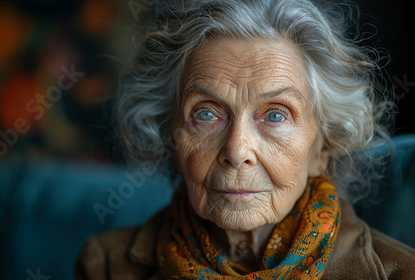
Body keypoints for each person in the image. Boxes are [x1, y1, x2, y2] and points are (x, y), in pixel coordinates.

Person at [75, 0, 415, 279]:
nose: (237, 151)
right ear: (170, 136)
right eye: (206, 114)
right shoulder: (105, 267)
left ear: (323, 148)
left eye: (276, 115)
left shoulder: (399, 273)